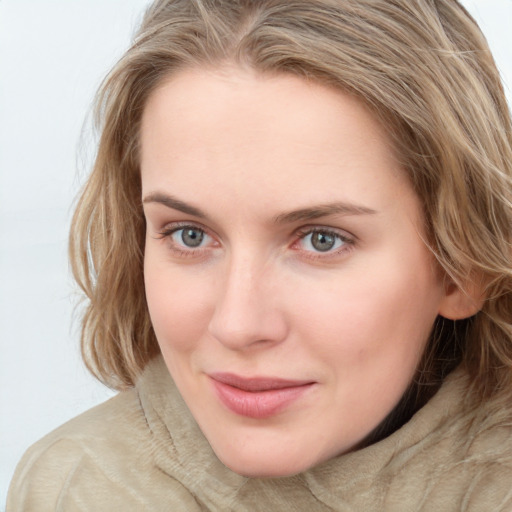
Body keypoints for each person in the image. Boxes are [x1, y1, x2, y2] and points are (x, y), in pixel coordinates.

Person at [7, 0, 512, 510]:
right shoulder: (77, 489)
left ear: (461, 266)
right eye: (188, 235)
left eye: (321, 240)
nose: (238, 324)